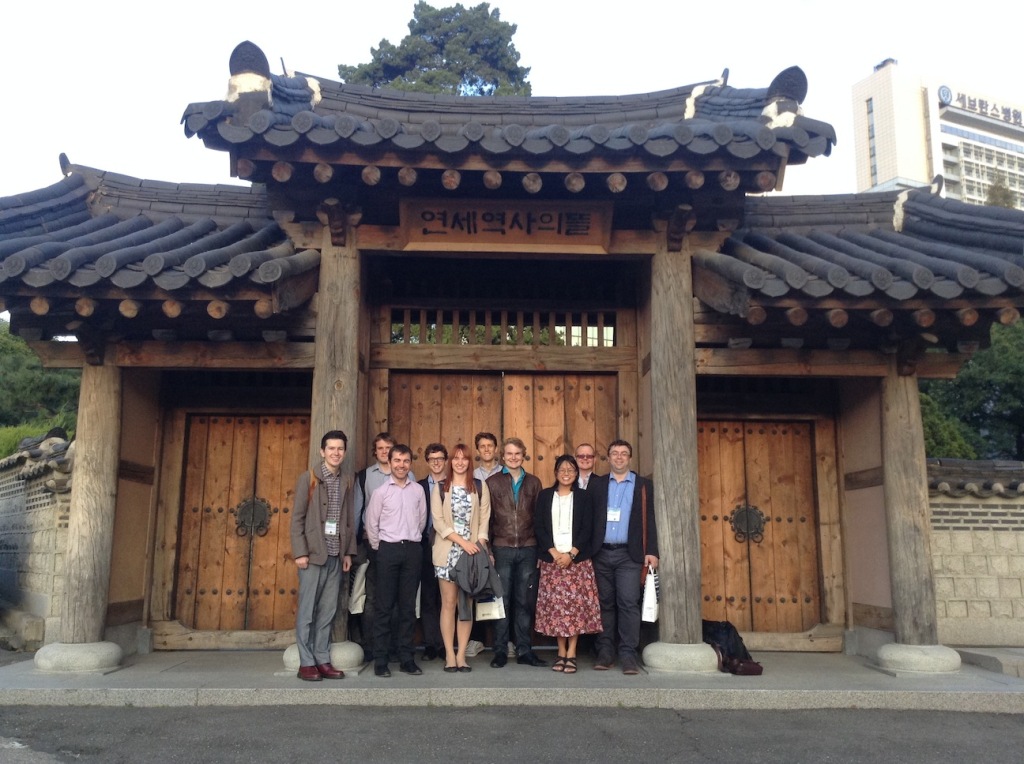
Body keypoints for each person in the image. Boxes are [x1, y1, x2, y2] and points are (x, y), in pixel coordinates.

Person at [290, 430, 355, 682]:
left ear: (344, 452)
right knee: (307, 611)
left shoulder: (346, 480)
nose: (335, 453)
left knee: (328, 611)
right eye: (331, 448)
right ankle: (306, 662)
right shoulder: (309, 479)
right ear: (322, 451)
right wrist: (300, 552)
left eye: (340, 449)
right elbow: (297, 518)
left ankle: (322, 658)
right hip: (312, 555)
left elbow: (348, 519)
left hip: (336, 555)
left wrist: (348, 551)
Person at [590, 439, 659, 675]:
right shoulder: (596, 485)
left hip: (630, 555)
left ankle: (628, 654)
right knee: (604, 604)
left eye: (624, 454)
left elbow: (651, 519)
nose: (619, 457)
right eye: (614, 453)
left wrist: (652, 551)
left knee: (629, 603)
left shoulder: (643, 486)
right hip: (601, 553)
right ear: (608, 458)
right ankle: (606, 652)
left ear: (630, 458)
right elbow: (589, 520)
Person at [534, 454, 602, 675]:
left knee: (575, 610)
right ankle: (560, 651)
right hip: (552, 562)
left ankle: (572, 652)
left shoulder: (584, 497)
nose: (566, 473)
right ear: (555, 473)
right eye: (562, 469)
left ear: (576, 474)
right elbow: (539, 527)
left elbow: (587, 528)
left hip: (577, 563)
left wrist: (571, 554)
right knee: (557, 610)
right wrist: (553, 552)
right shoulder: (544, 496)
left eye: (571, 470)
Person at [364, 444, 427, 678]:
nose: (401, 465)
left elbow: (422, 521)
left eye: (406, 461)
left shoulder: (418, 491)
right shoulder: (381, 492)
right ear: (389, 463)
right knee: (384, 607)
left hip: (412, 550)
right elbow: (372, 525)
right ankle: (381, 660)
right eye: (397, 461)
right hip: (387, 550)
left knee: (408, 608)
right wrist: (381, 549)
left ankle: (406, 658)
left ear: (410, 463)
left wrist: (410, 542)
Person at [352, 432, 415, 661]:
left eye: (389, 447)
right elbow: (360, 512)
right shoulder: (365, 477)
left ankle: (397, 649)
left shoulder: (410, 477)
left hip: (403, 546)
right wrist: (362, 543)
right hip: (375, 545)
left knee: (401, 600)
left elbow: (416, 513)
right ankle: (372, 648)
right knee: (374, 598)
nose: (385, 451)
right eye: (380, 448)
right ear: (376, 451)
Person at [486, 437, 546, 668]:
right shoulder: (492, 483)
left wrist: (541, 550)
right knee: (501, 600)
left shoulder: (534, 482)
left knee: (524, 601)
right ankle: (500, 650)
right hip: (501, 547)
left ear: (524, 455)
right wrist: (488, 549)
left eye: (517, 454)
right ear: (503, 456)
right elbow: (487, 519)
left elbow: (540, 519)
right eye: (509, 454)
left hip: (529, 548)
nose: (513, 457)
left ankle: (524, 650)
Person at [432, 443, 491, 673]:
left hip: (472, 554)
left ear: (469, 461)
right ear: (450, 462)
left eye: (464, 458)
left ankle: (461, 655)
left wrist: (479, 544)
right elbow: (438, 522)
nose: (459, 462)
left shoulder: (478, 486)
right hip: (448, 552)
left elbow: (484, 518)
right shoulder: (439, 488)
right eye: (455, 458)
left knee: (466, 605)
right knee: (448, 605)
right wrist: (462, 542)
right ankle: (449, 654)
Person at [417, 443, 447, 661]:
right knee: (428, 597)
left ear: (445, 461)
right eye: (432, 458)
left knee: (448, 598)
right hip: (425, 546)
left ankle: (446, 644)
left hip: (449, 545)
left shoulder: (453, 486)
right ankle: (430, 644)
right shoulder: (417, 487)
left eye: (440, 458)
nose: (436, 462)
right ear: (427, 461)